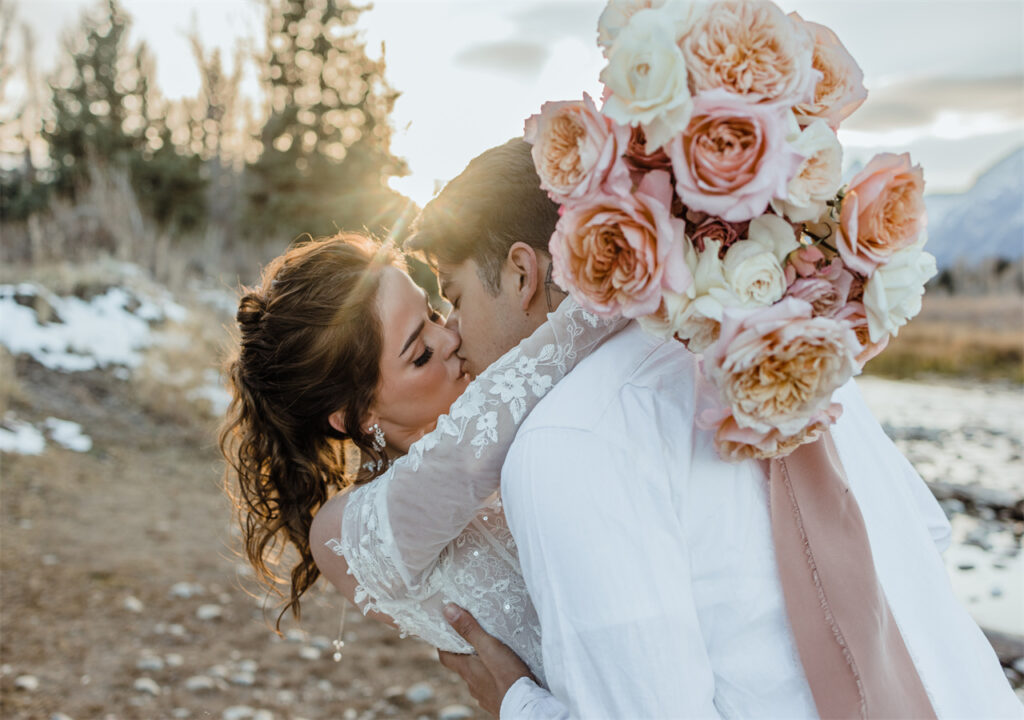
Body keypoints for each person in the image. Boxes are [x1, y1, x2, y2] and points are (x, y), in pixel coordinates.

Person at [411, 140, 1023, 718]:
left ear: (522, 273)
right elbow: (924, 535)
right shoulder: (779, 355)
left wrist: (513, 701)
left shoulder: (565, 441)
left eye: (453, 295)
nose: (452, 333)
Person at [219, 228, 620, 694]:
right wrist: (622, 289)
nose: (450, 334)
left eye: (433, 312)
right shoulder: (342, 531)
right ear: (357, 413)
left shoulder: (516, 427)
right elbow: (470, 449)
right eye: (421, 352)